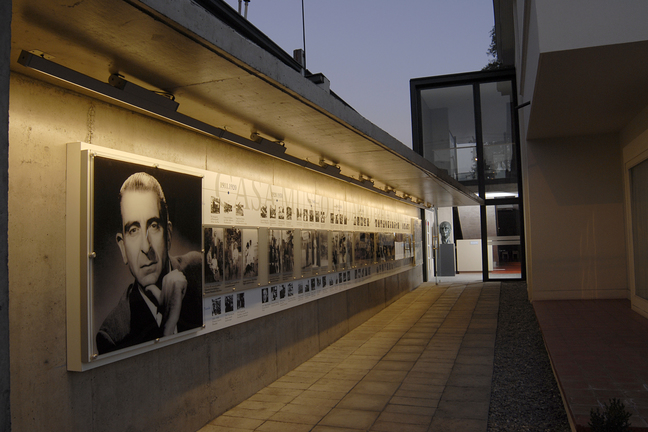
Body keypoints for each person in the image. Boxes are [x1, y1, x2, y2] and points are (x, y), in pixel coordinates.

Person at [96, 172, 202, 354]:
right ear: (123, 248)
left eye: (153, 226)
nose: (146, 247)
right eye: (133, 230)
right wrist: (168, 325)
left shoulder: (199, 269)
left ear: (168, 235)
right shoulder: (113, 334)